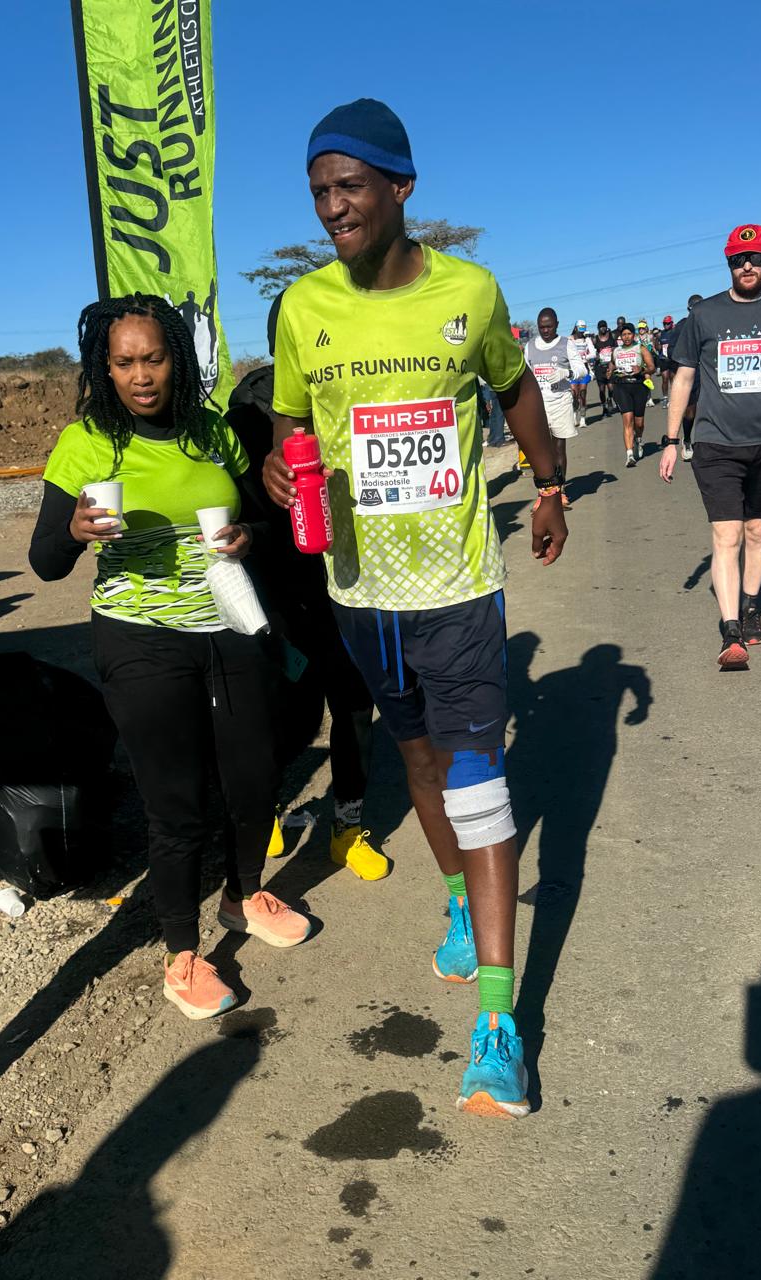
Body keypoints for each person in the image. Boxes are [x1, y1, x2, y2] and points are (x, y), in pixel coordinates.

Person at [263, 97, 568, 1117]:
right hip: (361, 593)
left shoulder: (469, 292)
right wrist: (276, 469)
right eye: (319, 191)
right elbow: (289, 426)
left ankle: (497, 1026)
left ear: (400, 187)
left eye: (350, 186)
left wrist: (551, 482)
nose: (333, 207)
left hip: (460, 587)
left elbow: (516, 389)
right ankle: (457, 903)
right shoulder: (301, 307)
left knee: (476, 778)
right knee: (421, 763)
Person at [29, 293, 311, 1021]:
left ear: (176, 360)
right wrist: (75, 531)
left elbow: (262, 517)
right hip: (140, 636)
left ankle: (244, 895)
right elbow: (45, 562)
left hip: (229, 619)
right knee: (176, 800)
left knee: (255, 776)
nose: (141, 375)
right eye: (124, 362)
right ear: (105, 368)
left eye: (153, 358)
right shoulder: (86, 443)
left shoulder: (212, 430)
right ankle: (182, 952)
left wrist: (250, 535)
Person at [224, 308, 389, 880]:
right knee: (283, 713)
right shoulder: (244, 417)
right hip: (279, 589)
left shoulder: (350, 396)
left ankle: (347, 828)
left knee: (355, 706)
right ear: (281, 341)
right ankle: (270, 808)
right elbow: (235, 510)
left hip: (351, 583)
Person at [659, 224, 761, 668]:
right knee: (726, 534)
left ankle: (750, 608)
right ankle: (730, 629)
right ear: (728, 263)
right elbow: (683, 378)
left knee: (757, 530)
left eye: (756, 258)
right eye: (738, 259)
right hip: (714, 442)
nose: (747, 266)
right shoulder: (704, 314)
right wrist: (671, 441)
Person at [525, 310, 587, 505]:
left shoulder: (566, 344)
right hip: (538, 404)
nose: (545, 331)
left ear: (557, 324)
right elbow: (526, 374)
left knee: (558, 447)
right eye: (542, 327)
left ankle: (560, 490)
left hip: (560, 401)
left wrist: (565, 372)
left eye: (549, 326)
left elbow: (582, 369)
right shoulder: (530, 347)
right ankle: (544, 491)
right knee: (541, 450)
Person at [608, 321, 655, 467]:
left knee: (639, 423)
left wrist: (641, 370)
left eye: (629, 334)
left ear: (633, 335)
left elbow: (652, 367)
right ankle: (629, 455)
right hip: (622, 387)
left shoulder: (640, 348)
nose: (626, 337)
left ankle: (638, 440)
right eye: (624, 335)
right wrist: (610, 371)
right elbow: (612, 364)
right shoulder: (616, 351)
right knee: (627, 419)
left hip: (638, 386)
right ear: (620, 337)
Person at [666, 294, 703, 461]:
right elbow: (671, 351)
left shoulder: (712, 323)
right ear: (689, 310)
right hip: (692, 373)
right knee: (690, 411)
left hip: (710, 372)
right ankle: (687, 439)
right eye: (694, 308)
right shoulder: (681, 327)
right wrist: (684, 363)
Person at [567, 321, 595, 429]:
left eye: (583, 331)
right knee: (574, 394)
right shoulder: (569, 340)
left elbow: (593, 353)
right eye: (580, 330)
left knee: (583, 393)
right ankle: (574, 416)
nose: (581, 333)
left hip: (584, 369)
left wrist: (584, 357)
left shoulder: (587, 340)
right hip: (573, 370)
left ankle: (583, 418)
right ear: (575, 328)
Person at [591, 319, 616, 417]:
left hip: (609, 366)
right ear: (598, 328)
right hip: (599, 367)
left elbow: (616, 348)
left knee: (611, 387)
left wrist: (613, 352)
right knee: (601, 389)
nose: (603, 328)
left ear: (606, 327)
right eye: (601, 327)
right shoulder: (595, 339)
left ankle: (610, 399)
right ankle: (604, 408)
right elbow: (591, 352)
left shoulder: (611, 336)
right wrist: (595, 356)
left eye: (604, 326)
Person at [657, 315, 677, 407]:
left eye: (668, 323)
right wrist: (658, 345)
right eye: (664, 323)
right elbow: (658, 346)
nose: (666, 325)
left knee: (672, 379)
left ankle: (673, 398)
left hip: (673, 359)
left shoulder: (675, 332)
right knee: (665, 378)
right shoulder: (661, 334)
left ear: (671, 323)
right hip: (663, 359)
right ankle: (665, 398)